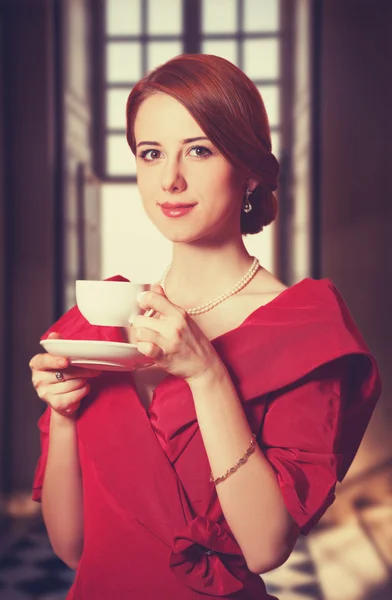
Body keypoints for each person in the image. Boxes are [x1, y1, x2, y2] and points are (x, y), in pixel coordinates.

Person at [29, 54, 381, 600]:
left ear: (249, 168)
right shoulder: (97, 327)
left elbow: (266, 547)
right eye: (152, 153)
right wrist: (66, 415)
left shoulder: (304, 329)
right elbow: (72, 547)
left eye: (200, 150)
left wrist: (207, 374)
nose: (170, 179)